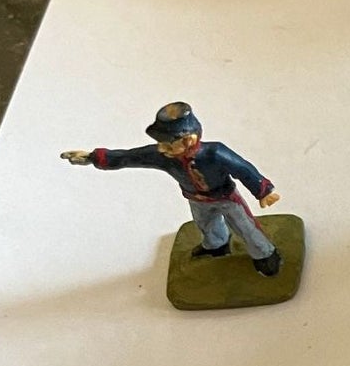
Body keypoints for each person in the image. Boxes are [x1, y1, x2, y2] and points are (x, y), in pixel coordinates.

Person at [61, 102, 284, 276]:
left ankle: (265, 255)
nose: (161, 148)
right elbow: (130, 156)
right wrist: (93, 157)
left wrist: (263, 190)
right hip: (195, 199)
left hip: (226, 197)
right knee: (205, 224)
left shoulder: (215, 153)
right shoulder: (164, 156)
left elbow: (242, 168)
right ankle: (217, 246)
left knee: (244, 226)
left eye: (167, 143)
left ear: (189, 140)